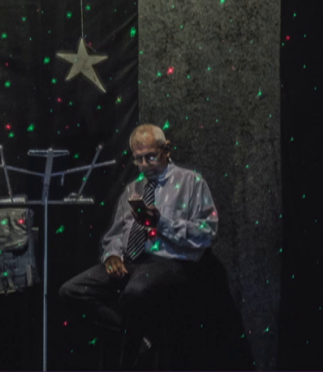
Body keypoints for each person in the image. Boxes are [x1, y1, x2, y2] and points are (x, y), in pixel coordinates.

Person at [58, 124, 219, 368]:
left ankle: (130, 354)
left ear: (167, 149)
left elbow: (207, 234)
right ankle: (140, 334)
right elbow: (115, 233)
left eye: (150, 157)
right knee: (70, 292)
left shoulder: (191, 183)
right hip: (130, 259)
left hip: (168, 261)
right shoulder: (133, 188)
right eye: (138, 160)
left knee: (134, 293)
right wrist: (111, 255)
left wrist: (161, 223)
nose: (144, 165)